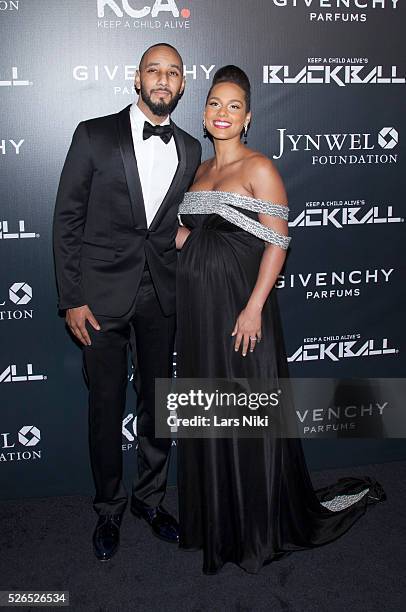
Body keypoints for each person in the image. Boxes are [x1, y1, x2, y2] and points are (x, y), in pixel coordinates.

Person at [175, 65, 386, 575]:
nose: (222, 113)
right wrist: (186, 244)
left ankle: (254, 526)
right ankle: (217, 523)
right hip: (202, 316)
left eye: (233, 106)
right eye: (214, 104)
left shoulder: (259, 168)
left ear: (247, 117)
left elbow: (277, 242)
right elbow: (190, 231)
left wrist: (252, 308)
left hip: (241, 314)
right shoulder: (199, 171)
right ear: (204, 115)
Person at [53, 43, 201, 561]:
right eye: (154, 71)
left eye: (173, 73)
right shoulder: (94, 134)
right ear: (136, 79)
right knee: (105, 406)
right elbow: (67, 219)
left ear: (183, 85)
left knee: (159, 405)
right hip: (99, 298)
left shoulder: (190, 148)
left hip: (162, 294)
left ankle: (151, 500)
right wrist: (71, 297)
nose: (163, 80)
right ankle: (109, 508)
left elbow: (178, 220)